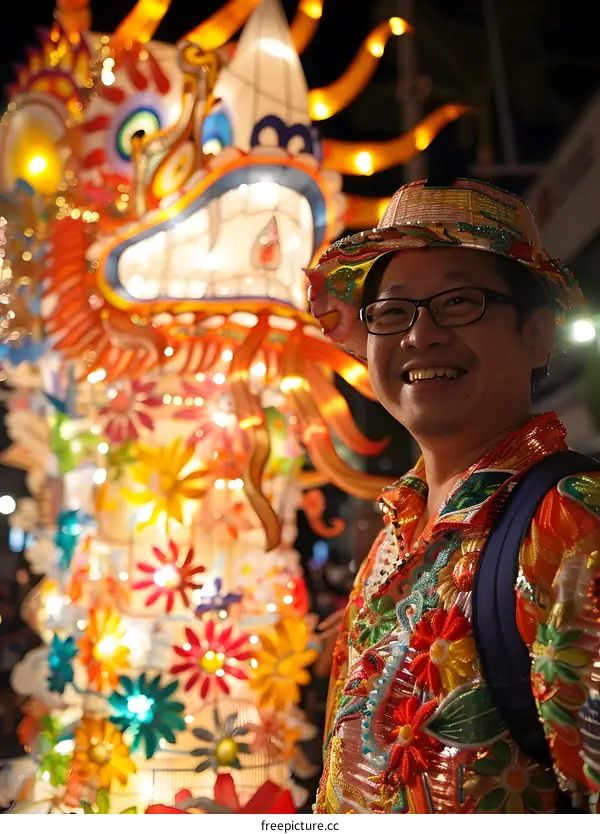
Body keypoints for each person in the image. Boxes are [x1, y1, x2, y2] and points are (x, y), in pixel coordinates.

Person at [305, 178, 600, 814]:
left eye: (460, 302)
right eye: (392, 312)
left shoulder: (573, 522)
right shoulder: (391, 538)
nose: (420, 334)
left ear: (537, 336)